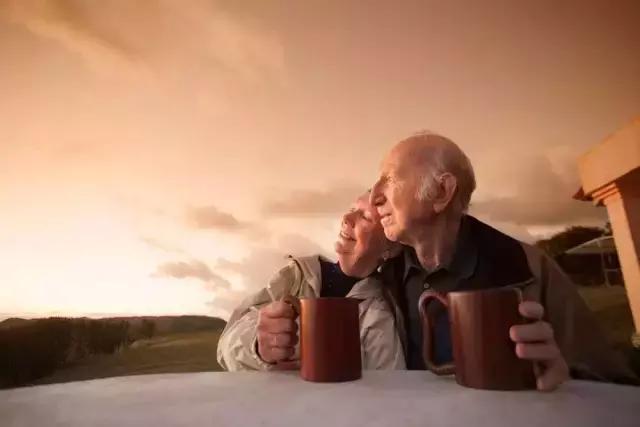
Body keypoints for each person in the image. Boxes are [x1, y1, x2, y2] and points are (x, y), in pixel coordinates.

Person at [370, 131, 638, 390]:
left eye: (390, 179)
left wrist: (566, 378)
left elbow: (614, 385)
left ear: (442, 191)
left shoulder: (529, 267)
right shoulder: (383, 279)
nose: (374, 197)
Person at [217, 192, 406, 371]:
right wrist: (257, 346)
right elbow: (225, 348)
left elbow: (389, 387)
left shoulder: (378, 313)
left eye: (365, 217)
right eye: (351, 209)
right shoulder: (297, 275)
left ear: (389, 249)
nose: (347, 218)